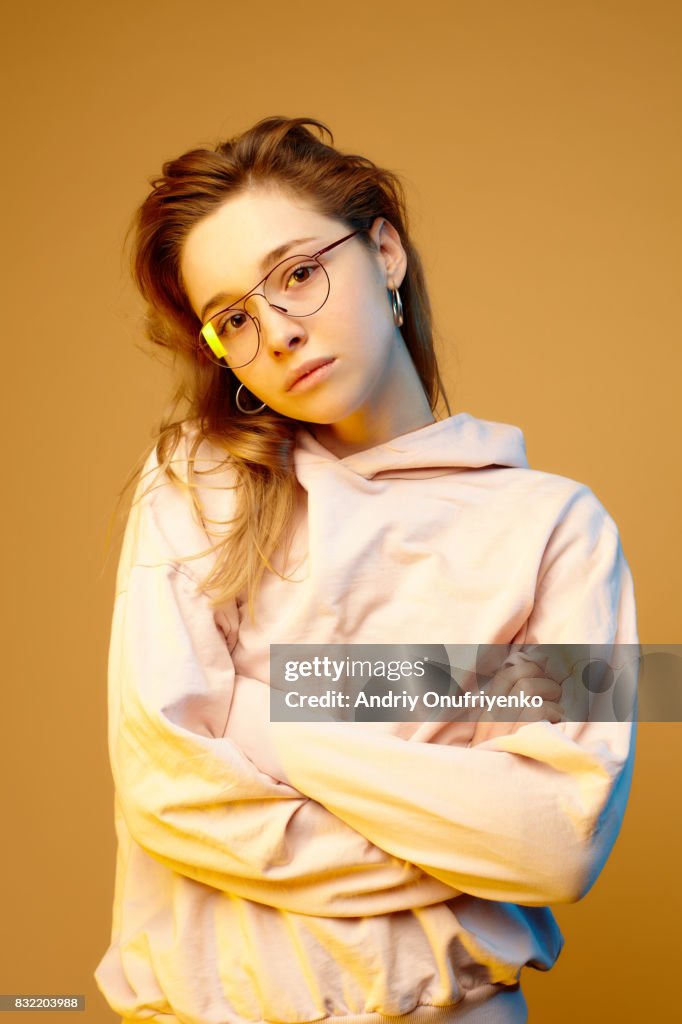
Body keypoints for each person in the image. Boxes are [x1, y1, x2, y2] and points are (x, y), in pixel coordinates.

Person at [94, 116, 638, 1024]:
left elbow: (557, 844)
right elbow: (165, 790)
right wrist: (453, 803)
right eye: (234, 317)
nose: (278, 333)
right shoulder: (197, 477)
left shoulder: (558, 525)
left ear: (384, 249)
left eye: (299, 274)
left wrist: (275, 716)